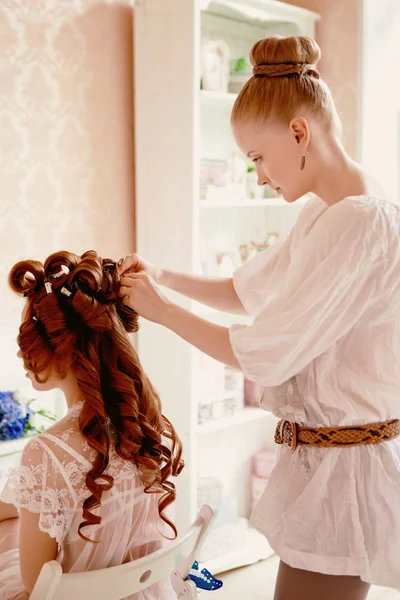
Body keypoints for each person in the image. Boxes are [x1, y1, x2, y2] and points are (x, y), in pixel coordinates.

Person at [117, 36, 400, 600]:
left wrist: (163, 310)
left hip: (348, 467)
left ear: (300, 132)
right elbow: (247, 292)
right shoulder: (328, 209)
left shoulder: (361, 221)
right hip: (326, 456)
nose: (260, 177)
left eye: (258, 158)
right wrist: (165, 277)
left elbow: (265, 352)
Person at [0, 250, 183, 600]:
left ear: (63, 347)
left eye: (30, 335)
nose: (22, 353)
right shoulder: (145, 423)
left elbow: (35, 585)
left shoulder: (47, 452)